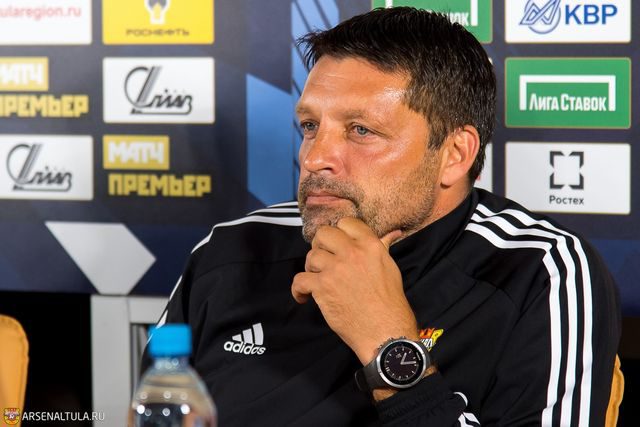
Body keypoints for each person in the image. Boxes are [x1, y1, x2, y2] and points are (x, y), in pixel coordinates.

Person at [156, 7, 621, 426]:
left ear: (455, 154)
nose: (314, 158)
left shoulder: (539, 271)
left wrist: (388, 344)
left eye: (361, 130)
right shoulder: (230, 252)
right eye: (311, 126)